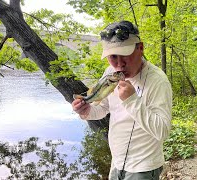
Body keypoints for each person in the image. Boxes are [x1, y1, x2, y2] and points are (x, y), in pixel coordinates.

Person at [72, 20, 172, 180]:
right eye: (113, 56)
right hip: (117, 163)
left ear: (140, 48)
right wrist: (86, 111)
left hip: (143, 168)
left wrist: (131, 100)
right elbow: (103, 108)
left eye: (125, 54)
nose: (119, 64)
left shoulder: (158, 81)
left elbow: (162, 132)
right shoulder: (110, 72)